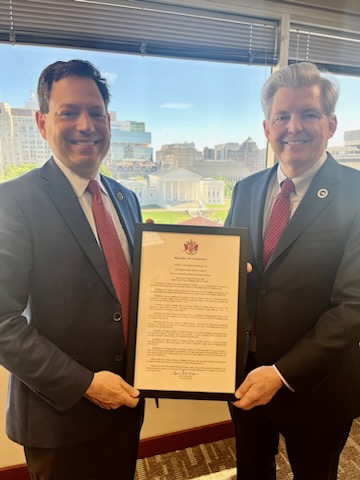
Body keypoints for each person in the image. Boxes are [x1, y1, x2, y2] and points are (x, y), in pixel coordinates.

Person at [0, 59, 144, 480]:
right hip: (59, 416)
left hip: (125, 404)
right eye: (69, 112)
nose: (86, 124)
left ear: (109, 122)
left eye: (96, 113)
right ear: (43, 123)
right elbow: (3, 323)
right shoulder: (13, 202)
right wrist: (84, 384)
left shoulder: (126, 198)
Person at [225, 62, 360, 479]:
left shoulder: (357, 195)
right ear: (267, 127)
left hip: (318, 388)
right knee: (252, 471)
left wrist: (281, 375)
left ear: (331, 124)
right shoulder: (246, 190)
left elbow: (354, 307)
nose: (293, 127)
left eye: (309, 114)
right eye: (282, 116)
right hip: (245, 382)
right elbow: (231, 277)